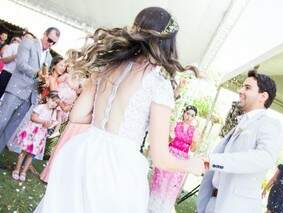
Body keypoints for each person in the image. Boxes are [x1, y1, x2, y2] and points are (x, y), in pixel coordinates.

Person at [33, 7, 206, 213]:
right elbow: (160, 157)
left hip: (84, 152)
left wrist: (102, 119)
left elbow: (77, 115)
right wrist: (192, 165)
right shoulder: (159, 85)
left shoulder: (108, 66)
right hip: (119, 168)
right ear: (167, 42)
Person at [197, 70, 282, 213]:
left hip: (235, 207)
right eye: (242, 86)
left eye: (247, 88)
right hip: (212, 203)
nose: (240, 90)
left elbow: (265, 158)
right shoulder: (241, 123)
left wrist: (214, 160)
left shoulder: (269, 124)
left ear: (263, 96)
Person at [0, 27, 60, 156]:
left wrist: (43, 82)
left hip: (30, 96)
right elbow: (21, 64)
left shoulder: (49, 57)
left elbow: (41, 76)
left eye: (54, 42)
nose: (50, 44)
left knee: (10, 128)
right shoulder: (29, 42)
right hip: (17, 89)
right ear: (44, 34)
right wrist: (38, 73)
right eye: (49, 40)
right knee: (1, 121)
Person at [149, 105, 199, 212]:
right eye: (187, 113)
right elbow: (166, 141)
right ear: (184, 113)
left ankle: (164, 208)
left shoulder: (194, 131)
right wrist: (170, 137)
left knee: (172, 184)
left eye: (192, 115)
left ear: (194, 118)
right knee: (161, 179)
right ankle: (152, 204)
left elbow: (193, 149)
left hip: (182, 160)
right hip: (170, 154)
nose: (189, 117)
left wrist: (194, 142)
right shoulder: (175, 124)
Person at [11, 91, 60, 182]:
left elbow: (48, 125)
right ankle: (17, 170)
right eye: (53, 101)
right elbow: (33, 117)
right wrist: (43, 121)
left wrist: (50, 125)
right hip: (32, 132)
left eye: (56, 103)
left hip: (40, 135)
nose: (54, 104)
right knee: (24, 152)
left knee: (31, 154)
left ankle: (23, 172)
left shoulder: (53, 113)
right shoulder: (41, 107)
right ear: (47, 98)